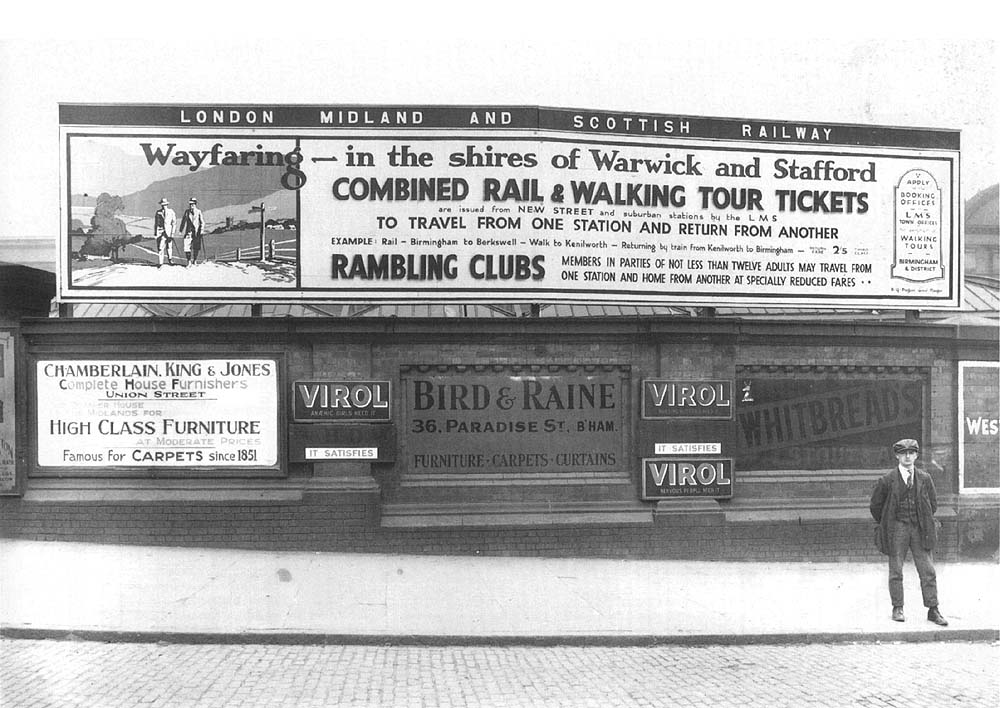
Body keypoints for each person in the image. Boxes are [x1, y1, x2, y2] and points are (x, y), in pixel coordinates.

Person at [869, 438, 948, 626]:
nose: (907, 456)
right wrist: (889, 522)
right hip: (898, 528)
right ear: (897, 455)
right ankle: (897, 607)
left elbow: (933, 504)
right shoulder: (887, 480)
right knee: (896, 569)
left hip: (920, 529)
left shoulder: (924, 478)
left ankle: (933, 609)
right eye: (903, 453)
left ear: (916, 455)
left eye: (911, 453)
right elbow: (876, 507)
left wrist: (922, 519)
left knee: (927, 570)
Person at [179, 197, 205, 266]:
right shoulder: (187, 212)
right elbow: (183, 221)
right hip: (188, 232)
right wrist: (181, 230)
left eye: (193, 204)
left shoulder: (198, 212)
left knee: (196, 248)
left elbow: (202, 222)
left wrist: (201, 231)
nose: (191, 206)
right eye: (190, 204)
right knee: (187, 247)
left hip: (196, 233)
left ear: (195, 204)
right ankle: (189, 261)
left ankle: (195, 260)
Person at [153, 198, 177, 267]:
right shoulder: (158, 212)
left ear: (167, 204)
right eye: (162, 205)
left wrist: (172, 233)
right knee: (160, 247)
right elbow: (156, 223)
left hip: (169, 232)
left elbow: (174, 223)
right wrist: (155, 232)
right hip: (160, 232)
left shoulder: (171, 212)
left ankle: (170, 260)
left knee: (169, 246)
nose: (163, 206)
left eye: (165, 205)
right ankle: (160, 263)